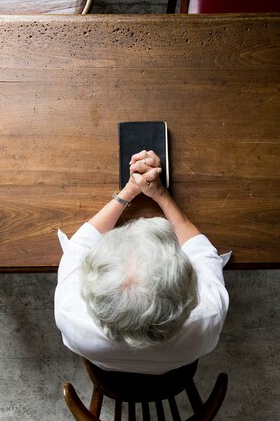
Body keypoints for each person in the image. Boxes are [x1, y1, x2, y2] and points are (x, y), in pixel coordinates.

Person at [54, 150, 229, 374]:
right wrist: (160, 195)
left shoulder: (69, 314)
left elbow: (80, 246)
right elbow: (200, 252)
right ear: (186, 285)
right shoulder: (209, 314)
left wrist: (129, 191)